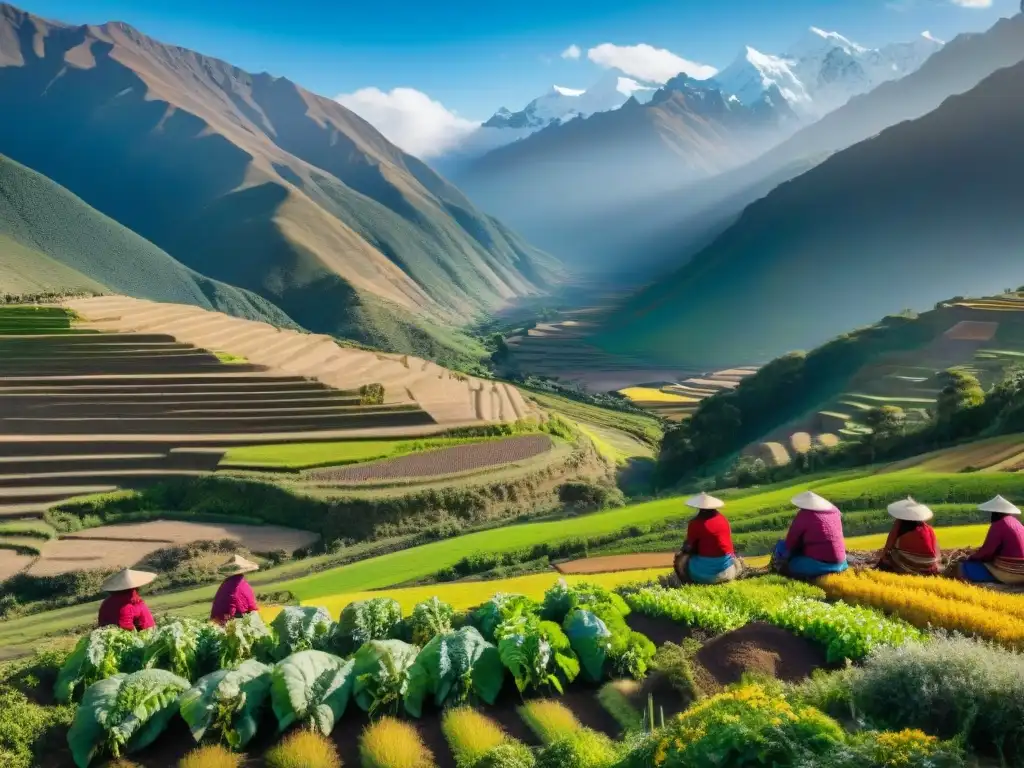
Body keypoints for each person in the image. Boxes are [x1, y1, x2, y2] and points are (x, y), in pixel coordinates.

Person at [772, 491, 848, 578]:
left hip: (819, 566)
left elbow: (791, 542)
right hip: (842, 563)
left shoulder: (804, 515)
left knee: (784, 551)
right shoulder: (834, 512)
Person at [674, 492, 742, 584]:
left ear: (700, 509)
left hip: (704, 576)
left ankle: (687, 583)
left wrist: (685, 548)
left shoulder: (695, 523)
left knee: (680, 559)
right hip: (728, 572)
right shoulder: (723, 520)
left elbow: (689, 548)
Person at [957, 496, 1024, 584]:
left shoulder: (999, 525)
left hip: (1011, 572)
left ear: (998, 513)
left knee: (962, 566)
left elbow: (987, 552)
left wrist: (970, 557)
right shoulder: (1016, 522)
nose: (991, 516)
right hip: (1021, 568)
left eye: (993, 513)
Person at [878, 497, 941, 575]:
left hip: (908, 564)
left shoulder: (899, 524)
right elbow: (935, 549)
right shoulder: (928, 529)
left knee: (889, 555)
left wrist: (882, 560)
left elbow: (889, 545)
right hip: (929, 564)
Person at [211, 554, 260, 623]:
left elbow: (220, 606)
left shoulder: (225, 585)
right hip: (240, 619)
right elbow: (251, 605)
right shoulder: (243, 583)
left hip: (229, 620)